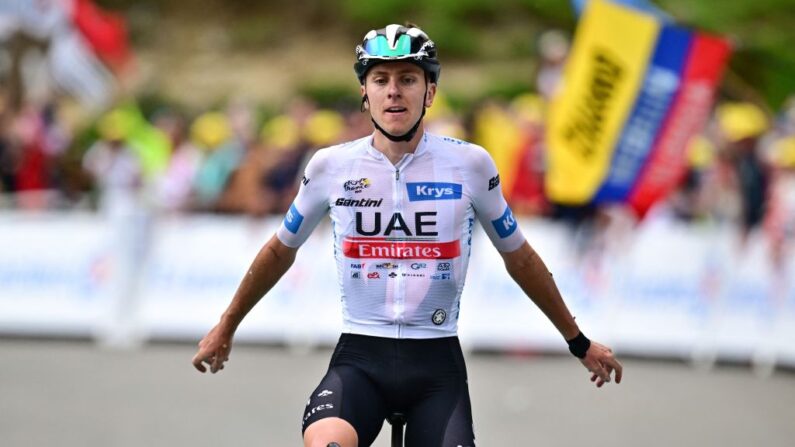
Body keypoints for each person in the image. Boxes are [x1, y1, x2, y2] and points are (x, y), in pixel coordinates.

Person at [192, 24, 623, 447]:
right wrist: (226, 325)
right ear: (365, 93)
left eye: (408, 79)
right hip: (360, 359)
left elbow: (520, 258)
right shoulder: (330, 167)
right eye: (380, 79)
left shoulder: (470, 164)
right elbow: (279, 251)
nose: (393, 91)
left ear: (430, 92)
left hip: (436, 366)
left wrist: (578, 341)